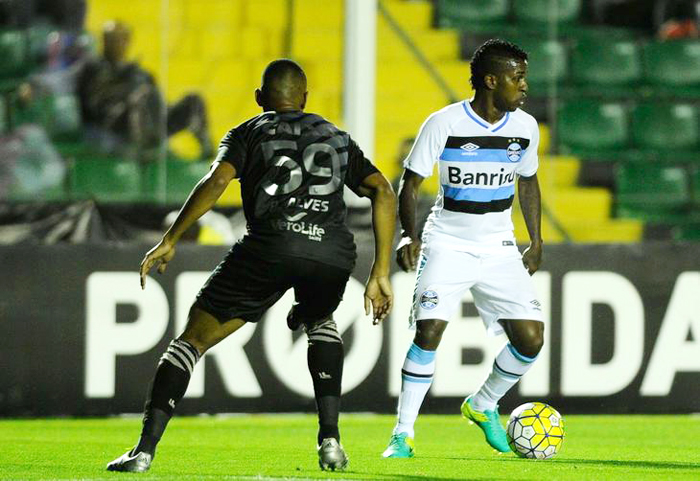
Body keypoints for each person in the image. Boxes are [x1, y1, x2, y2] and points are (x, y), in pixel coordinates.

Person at [106, 59, 396, 473]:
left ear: (260, 98)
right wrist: (379, 272)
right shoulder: (337, 137)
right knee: (321, 320)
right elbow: (382, 189)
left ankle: (144, 452)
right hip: (331, 253)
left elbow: (217, 181)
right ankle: (330, 441)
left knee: (190, 342)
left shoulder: (249, 131)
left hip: (270, 247)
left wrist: (170, 239)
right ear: (305, 98)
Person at [381, 39, 544, 458]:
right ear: (492, 80)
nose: (524, 86)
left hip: (499, 245)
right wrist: (408, 235)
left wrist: (536, 239)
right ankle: (403, 434)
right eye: (518, 77)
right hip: (447, 241)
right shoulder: (444, 122)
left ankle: (483, 404)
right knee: (430, 329)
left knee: (531, 340)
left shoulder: (525, 128)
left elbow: (528, 181)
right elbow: (411, 181)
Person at [77, 20, 213, 159]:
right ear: (104, 41)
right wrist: (128, 92)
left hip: (151, 121)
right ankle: (144, 151)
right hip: (116, 125)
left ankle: (206, 151)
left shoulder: (139, 72)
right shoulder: (93, 69)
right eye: (111, 39)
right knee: (141, 97)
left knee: (193, 101)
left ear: (128, 41)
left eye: (122, 38)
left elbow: (156, 99)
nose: (117, 43)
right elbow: (93, 105)